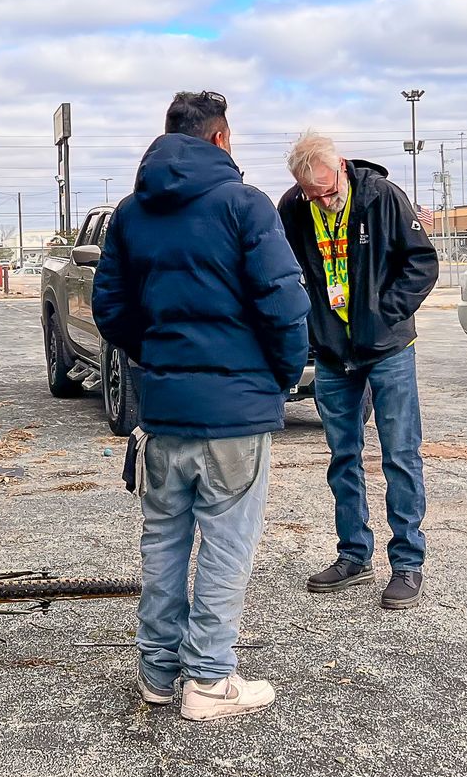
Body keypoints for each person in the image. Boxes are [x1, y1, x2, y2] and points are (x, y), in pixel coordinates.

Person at [93, 91, 310, 722]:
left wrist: (158, 361)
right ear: (220, 139)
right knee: (226, 545)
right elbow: (284, 306)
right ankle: (210, 681)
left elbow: (112, 309)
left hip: (164, 411)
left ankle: (158, 674)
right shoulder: (246, 206)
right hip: (234, 413)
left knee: (162, 541)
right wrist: (278, 377)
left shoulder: (132, 215)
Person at [278, 133, 439, 609]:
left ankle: (407, 563)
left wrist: (383, 313)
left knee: (400, 455)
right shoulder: (293, 207)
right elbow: (286, 271)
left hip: (388, 349)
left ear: (341, 168)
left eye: (328, 191)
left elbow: (421, 264)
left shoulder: (381, 196)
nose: (323, 202)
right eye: (313, 195)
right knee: (342, 455)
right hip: (332, 352)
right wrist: (310, 324)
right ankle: (354, 554)